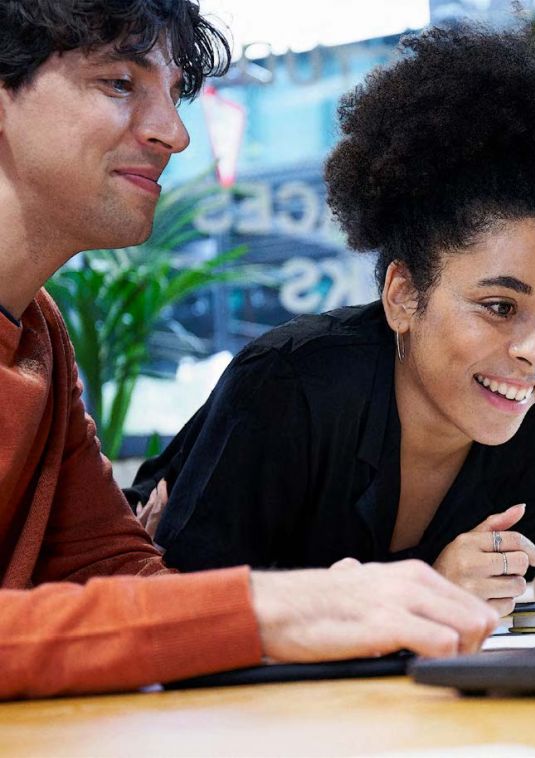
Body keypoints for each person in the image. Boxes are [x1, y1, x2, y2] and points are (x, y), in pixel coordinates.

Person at [0, 0, 500, 701]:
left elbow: (109, 567)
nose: (174, 134)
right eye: (119, 83)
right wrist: (267, 611)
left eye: (174, 96)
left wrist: (333, 603)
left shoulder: (41, 334)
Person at [127, 25, 535, 609]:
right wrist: (428, 591)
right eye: (500, 307)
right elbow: (188, 620)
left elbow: (483, 621)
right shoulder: (292, 385)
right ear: (403, 296)